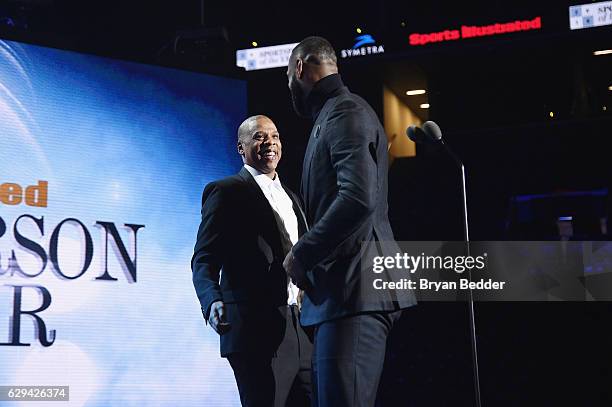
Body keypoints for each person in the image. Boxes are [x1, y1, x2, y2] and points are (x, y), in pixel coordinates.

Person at [283, 36, 417, 407]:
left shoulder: (344, 111)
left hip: (357, 290)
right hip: (343, 294)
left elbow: (358, 198)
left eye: (288, 78)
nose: (290, 88)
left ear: (300, 69)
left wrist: (302, 255)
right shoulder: (333, 114)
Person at [192, 115, 312, 407]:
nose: (269, 142)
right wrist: (212, 300)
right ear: (240, 148)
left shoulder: (292, 197)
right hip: (254, 329)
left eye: (275, 136)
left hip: (303, 327)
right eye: (259, 136)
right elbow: (204, 258)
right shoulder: (226, 191)